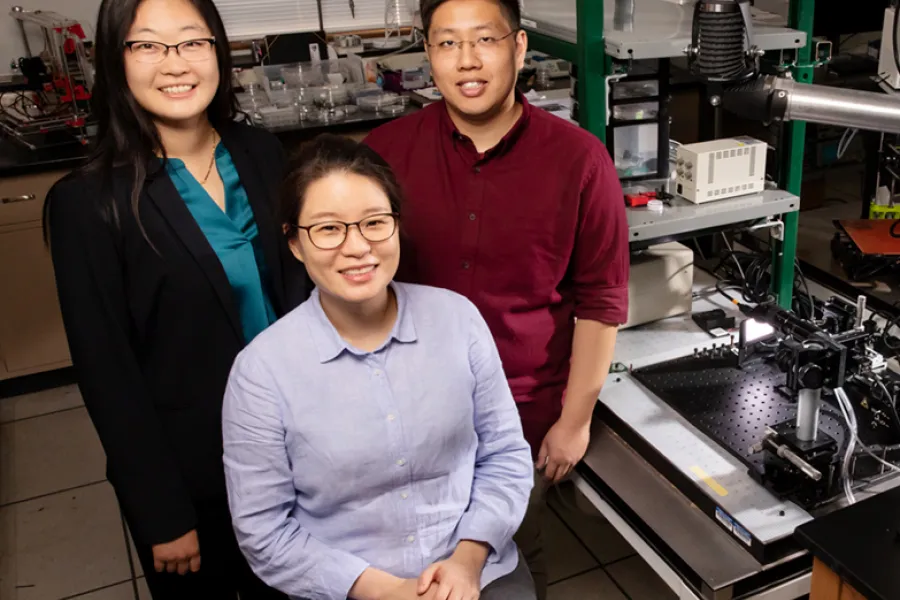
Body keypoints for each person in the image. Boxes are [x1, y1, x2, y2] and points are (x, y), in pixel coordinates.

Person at [364, 0, 630, 597]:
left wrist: (574, 419)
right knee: (404, 560)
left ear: (518, 47)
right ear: (428, 53)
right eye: (447, 43)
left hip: (521, 412)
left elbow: (600, 299)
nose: (466, 61)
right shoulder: (383, 152)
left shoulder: (580, 160)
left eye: (483, 39)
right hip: (403, 409)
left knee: (514, 552)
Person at [44, 0, 304, 597]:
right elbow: (107, 372)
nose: (174, 63)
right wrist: (163, 512)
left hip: (298, 452)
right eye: (147, 46)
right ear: (116, 60)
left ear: (217, 49)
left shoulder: (262, 153)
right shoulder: (88, 203)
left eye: (192, 41)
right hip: (196, 478)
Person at [221, 134, 536, 600]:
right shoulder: (262, 373)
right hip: (346, 590)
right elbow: (264, 530)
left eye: (374, 222)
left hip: (478, 573)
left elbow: (506, 455)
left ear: (396, 225)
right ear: (293, 242)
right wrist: (387, 592)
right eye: (328, 229)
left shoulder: (457, 320)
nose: (356, 247)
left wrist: (467, 562)